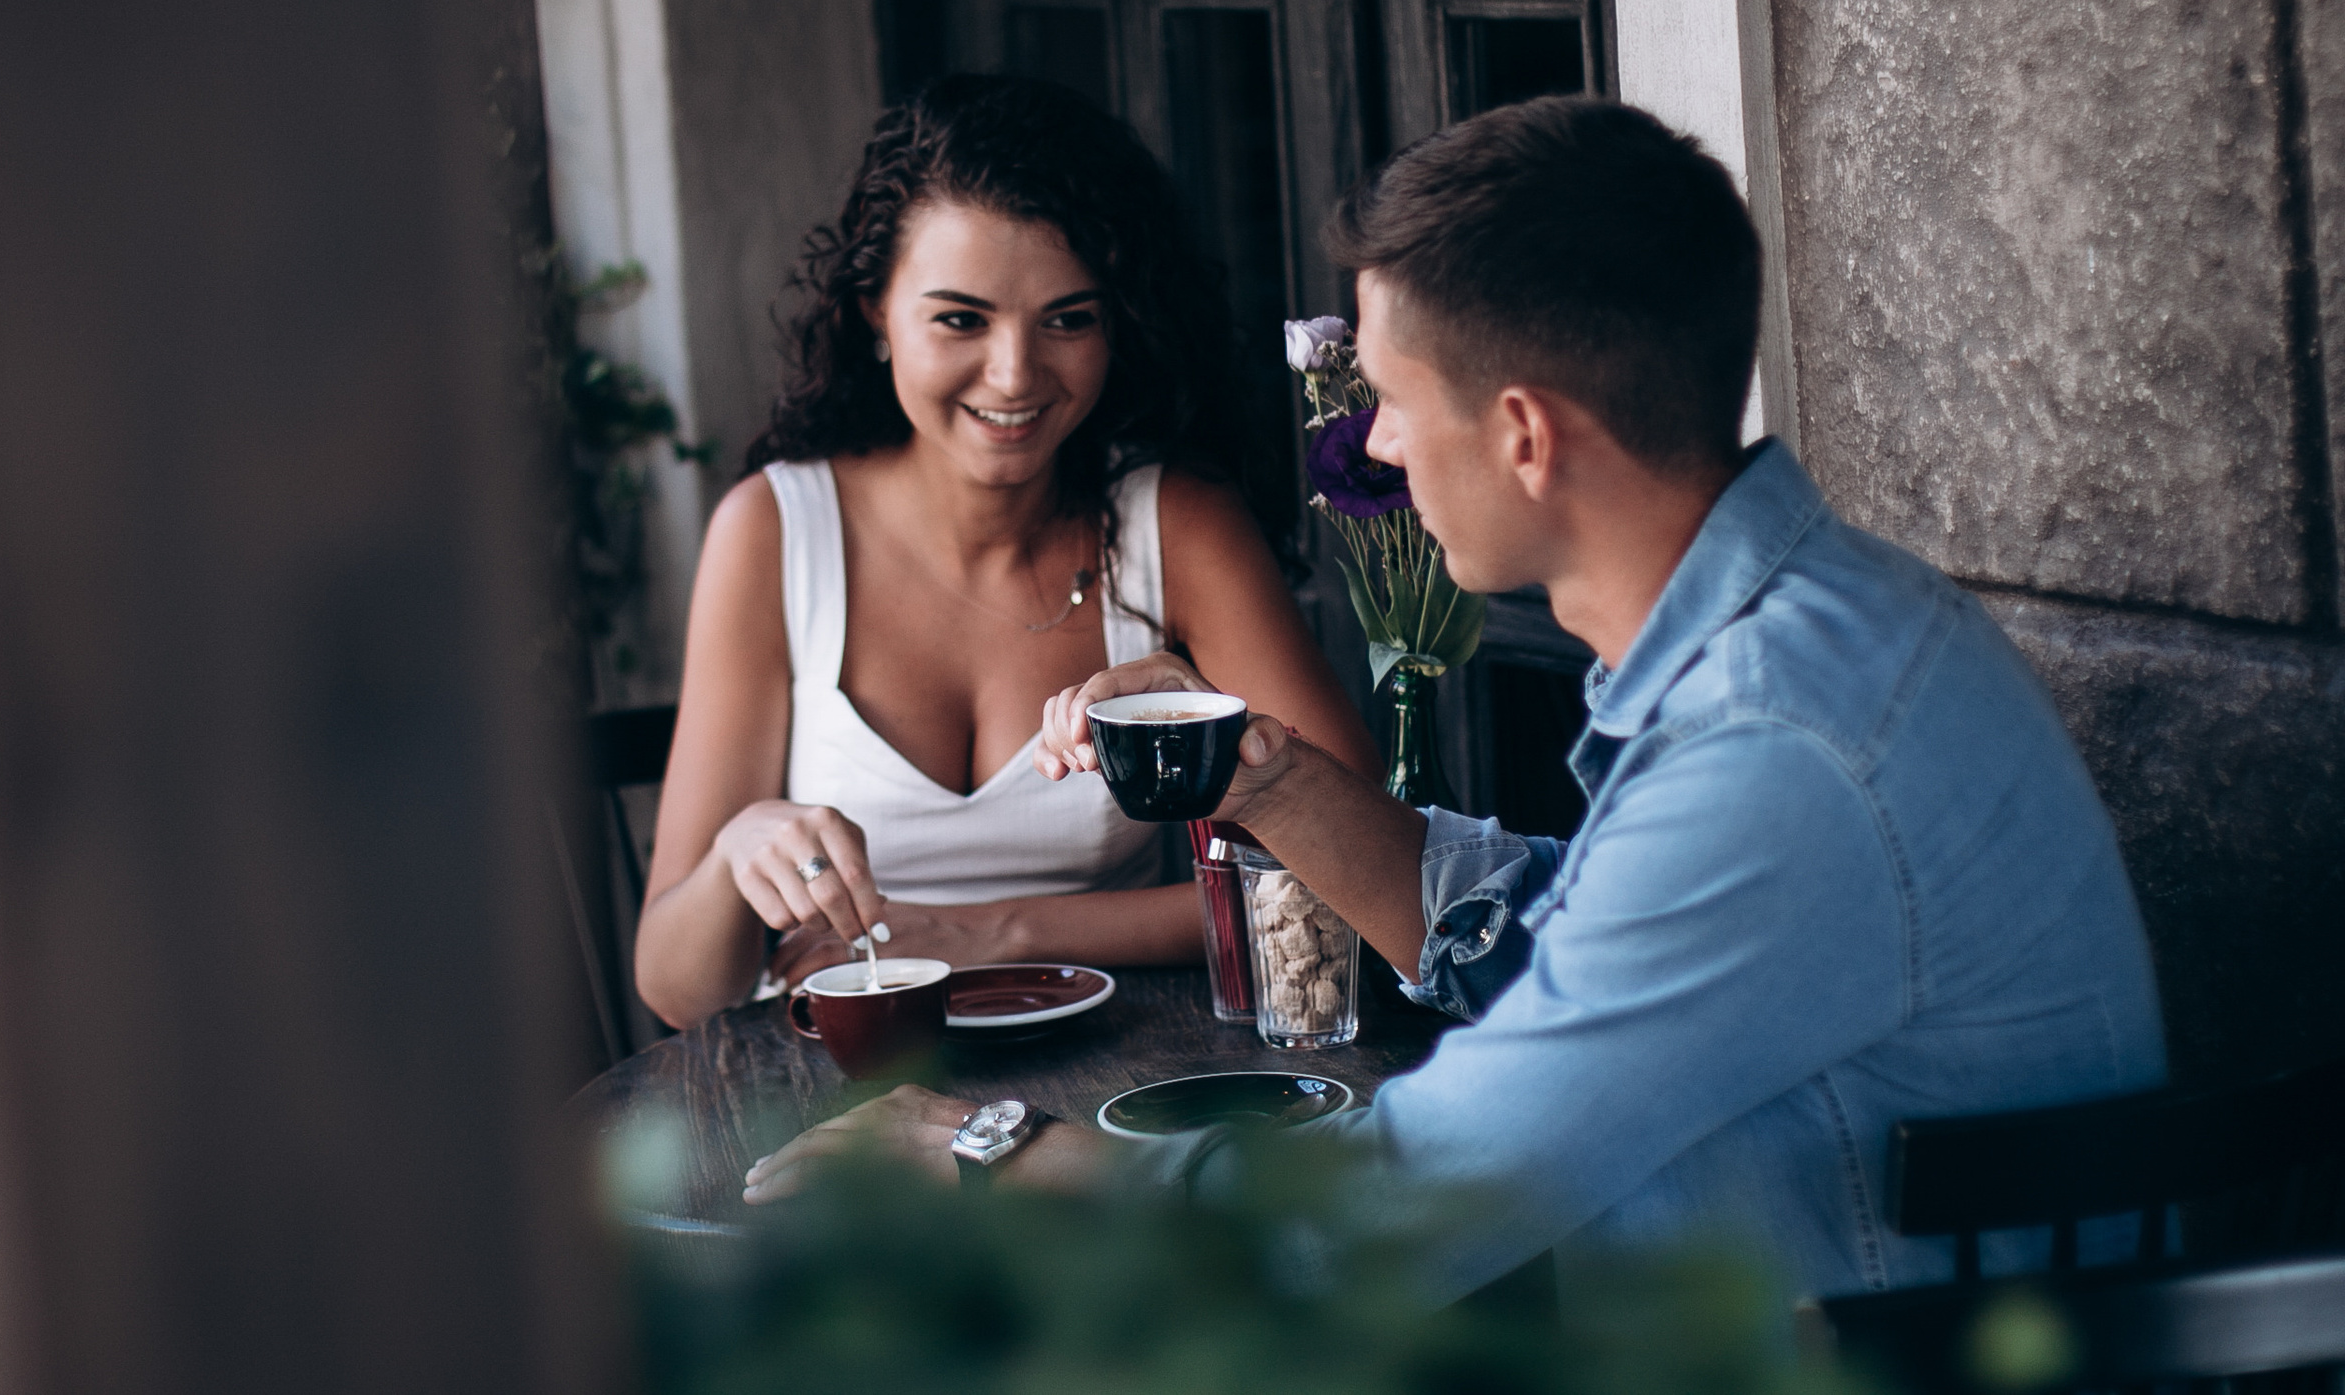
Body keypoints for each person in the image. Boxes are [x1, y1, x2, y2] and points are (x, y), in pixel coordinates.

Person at [740, 96, 2167, 1307]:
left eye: (1395, 396)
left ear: (1525, 432)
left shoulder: (1771, 749)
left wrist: (994, 1145)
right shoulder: (1824, 623)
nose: (1373, 440)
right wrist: (1269, 778)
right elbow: (1567, 923)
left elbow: (1408, 1207)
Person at [637, 75, 1377, 1030]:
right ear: (874, 312)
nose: (1016, 374)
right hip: (838, 1081)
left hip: (1118, 1063)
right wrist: (740, 848)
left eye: (1069, 318)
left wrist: (989, 931)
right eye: (961, 319)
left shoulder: (1179, 526)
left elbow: (1358, 869)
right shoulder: (774, 532)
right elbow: (674, 985)